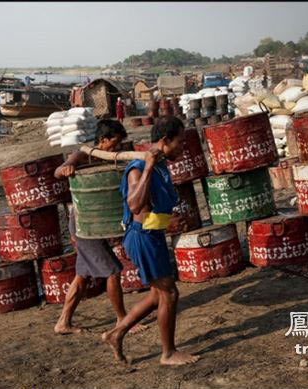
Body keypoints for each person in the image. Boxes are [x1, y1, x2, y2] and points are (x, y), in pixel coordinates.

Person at [102, 116, 200, 366]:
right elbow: (135, 207)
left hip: (150, 235)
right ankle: (168, 353)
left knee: (158, 294)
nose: (182, 147)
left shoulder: (160, 163)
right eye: (179, 142)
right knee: (169, 293)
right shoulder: (139, 168)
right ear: (165, 140)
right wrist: (146, 168)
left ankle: (117, 333)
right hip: (142, 237)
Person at [53, 119, 145, 335]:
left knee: (81, 276)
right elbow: (59, 171)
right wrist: (67, 168)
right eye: (114, 144)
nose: (117, 149)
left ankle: (63, 322)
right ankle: (122, 320)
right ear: (102, 141)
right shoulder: (84, 154)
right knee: (113, 270)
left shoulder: (116, 157)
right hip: (86, 224)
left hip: (99, 224)